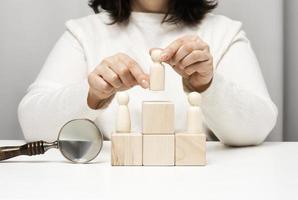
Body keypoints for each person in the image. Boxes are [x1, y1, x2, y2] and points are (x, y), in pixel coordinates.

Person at [18, 0, 278, 146]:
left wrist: (208, 85)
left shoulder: (224, 32)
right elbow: (33, 127)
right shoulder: (84, 33)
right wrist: (92, 94)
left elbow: (257, 129)